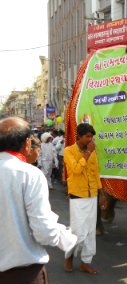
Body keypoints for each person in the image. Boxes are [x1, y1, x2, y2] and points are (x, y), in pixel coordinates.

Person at [0, 117, 77, 283]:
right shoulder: (29, 174)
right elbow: (44, 232)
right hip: (22, 274)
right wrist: (67, 237)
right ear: (27, 144)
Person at [63, 123, 103, 275]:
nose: (90, 140)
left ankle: (86, 262)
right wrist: (86, 154)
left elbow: (95, 172)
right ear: (78, 136)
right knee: (78, 233)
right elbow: (76, 169)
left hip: (92, 195)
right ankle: (69, 256)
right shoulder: (69, 151)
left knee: (90, 233)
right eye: (87, 136)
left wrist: (101, 193)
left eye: (91, 137)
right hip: (77, 197)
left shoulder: (92, 151)